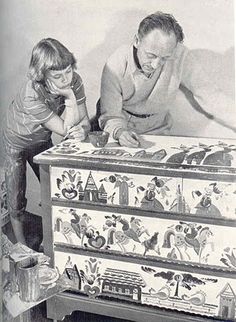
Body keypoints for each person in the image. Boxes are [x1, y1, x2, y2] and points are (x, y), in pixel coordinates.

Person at [98, 11, 236, 147]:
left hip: (159, 131)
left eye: (165, 58)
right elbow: (110, 116)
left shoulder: (180, 55)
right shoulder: (116, 63)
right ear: (137, 41)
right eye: (151, 55)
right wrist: (120, 132)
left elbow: (210, 95)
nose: (156, 65)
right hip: (120, 131)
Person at [2, 38, 90, 248]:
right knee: (16, 200)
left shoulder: (74, 80)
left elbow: (83, 122)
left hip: (42, 138)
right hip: (16, 142)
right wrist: (69, 96)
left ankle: (52, 242)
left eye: (68, 71)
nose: (66, 79)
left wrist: (83, 131)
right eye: (57, 76)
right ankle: (23, 249)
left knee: (55, 190)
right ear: (42, 74)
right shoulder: (30, 93)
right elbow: (64, 130)